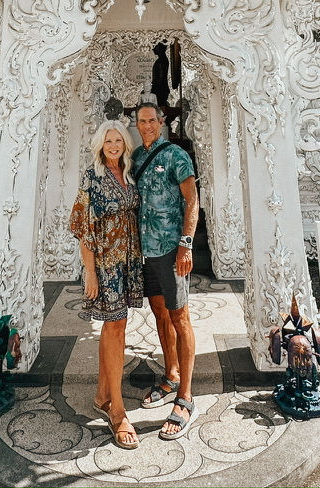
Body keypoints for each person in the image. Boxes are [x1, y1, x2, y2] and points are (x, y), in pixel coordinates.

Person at [69, 120, 143, 450]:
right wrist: (90, 272)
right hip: (106, 265)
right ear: (100, 144)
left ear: (125, 144)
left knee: (116, 329)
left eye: (118, 140)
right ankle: (118, 410)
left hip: (129, 261)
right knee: (115, 328)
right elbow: (83, 225)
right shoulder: (93, 177)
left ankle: (102, 395)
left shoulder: (128, 175)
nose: (113, 145)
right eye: (108, 140)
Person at [134, 101, 200, 439]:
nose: (146, 126)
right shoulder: (135, 159)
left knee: (180, 317)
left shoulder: (176, 155)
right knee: (159, 313)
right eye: (141, 121)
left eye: (151, 120)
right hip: (145, 251)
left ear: (161, 122)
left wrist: (186, 244)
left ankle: (186, 395)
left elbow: (192, 200)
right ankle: (171, 373)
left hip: (171, 250)